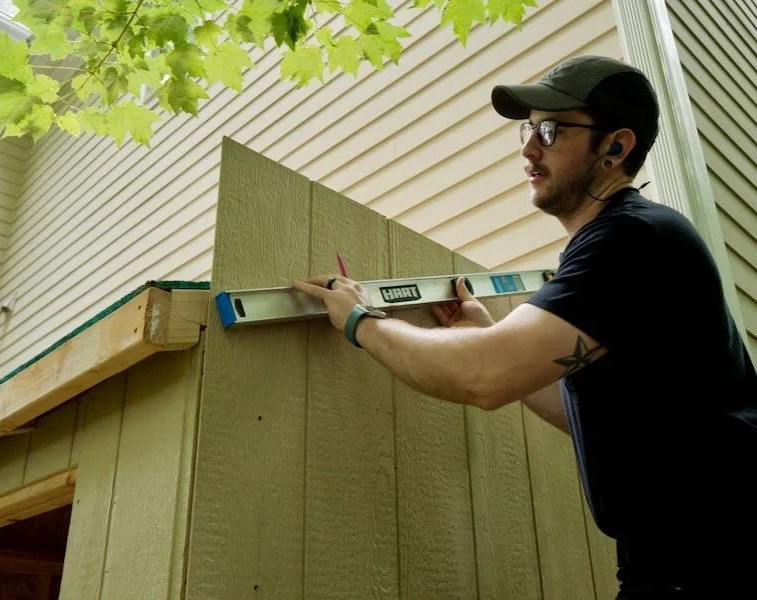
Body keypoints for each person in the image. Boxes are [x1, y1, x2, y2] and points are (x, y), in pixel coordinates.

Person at [292, 55, 757, 598]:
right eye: (528, 130)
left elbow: (483, 377)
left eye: (551, 131)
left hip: (721, 556)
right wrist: (490, 334)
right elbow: (593, 413)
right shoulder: (626, 242)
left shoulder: (629, 240)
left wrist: (360, 321)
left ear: (615, 146)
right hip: (671, 556)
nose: (529, 149)